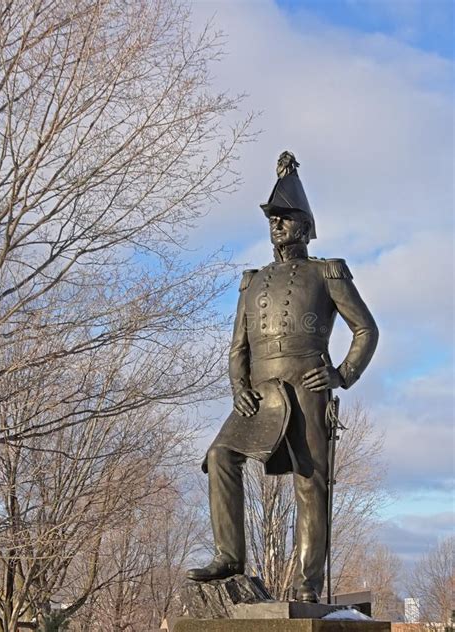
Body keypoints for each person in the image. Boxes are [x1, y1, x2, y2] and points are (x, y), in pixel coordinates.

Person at [187, 151, 379, 603]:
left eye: (286, 218)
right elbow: (238, 348)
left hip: (307, 387)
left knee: (310, 483)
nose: (277, 226)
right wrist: (239, 389)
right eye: (273, 219)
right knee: (219, 457)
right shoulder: (251, 281)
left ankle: (306, 584)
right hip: (259, 394)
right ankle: (230, 556)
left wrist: (340, 374)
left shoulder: (326, 272)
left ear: (306, 226)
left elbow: (366, 329)